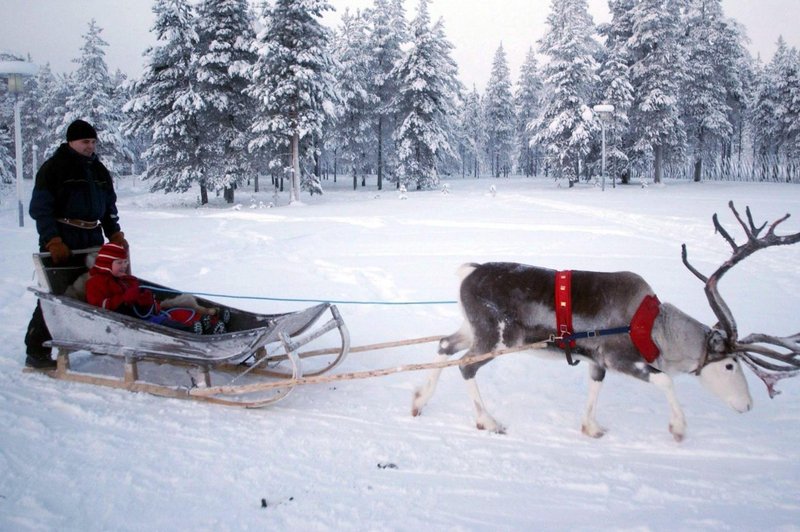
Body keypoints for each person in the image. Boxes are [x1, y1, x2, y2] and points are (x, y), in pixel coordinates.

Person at [25, 119, 128, 368]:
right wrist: (53, 240)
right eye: (85, 142)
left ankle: (96, 339)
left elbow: (108, 207)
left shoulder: (99, 170)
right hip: (63, 237)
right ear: (71, 141)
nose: (90, 147)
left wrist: (114, 234)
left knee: (98, 287)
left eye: (93, 142)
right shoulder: (53, 169)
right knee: (57, 294)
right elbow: (40, 209)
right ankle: (36, 351)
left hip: (92, 236)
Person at [85, 243, 225, 334]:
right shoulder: (96, 283)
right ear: (106, 263)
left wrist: (144, 298)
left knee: (174, 312)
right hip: (128, 324)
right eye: (119, 263)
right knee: (164, 324)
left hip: (145, 314)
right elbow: (99, 308)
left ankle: (209, 321)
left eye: (125, 262)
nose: (124, 266)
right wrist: (124, 298)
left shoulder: (128, 279)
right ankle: (192, 332)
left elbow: (140, 300)